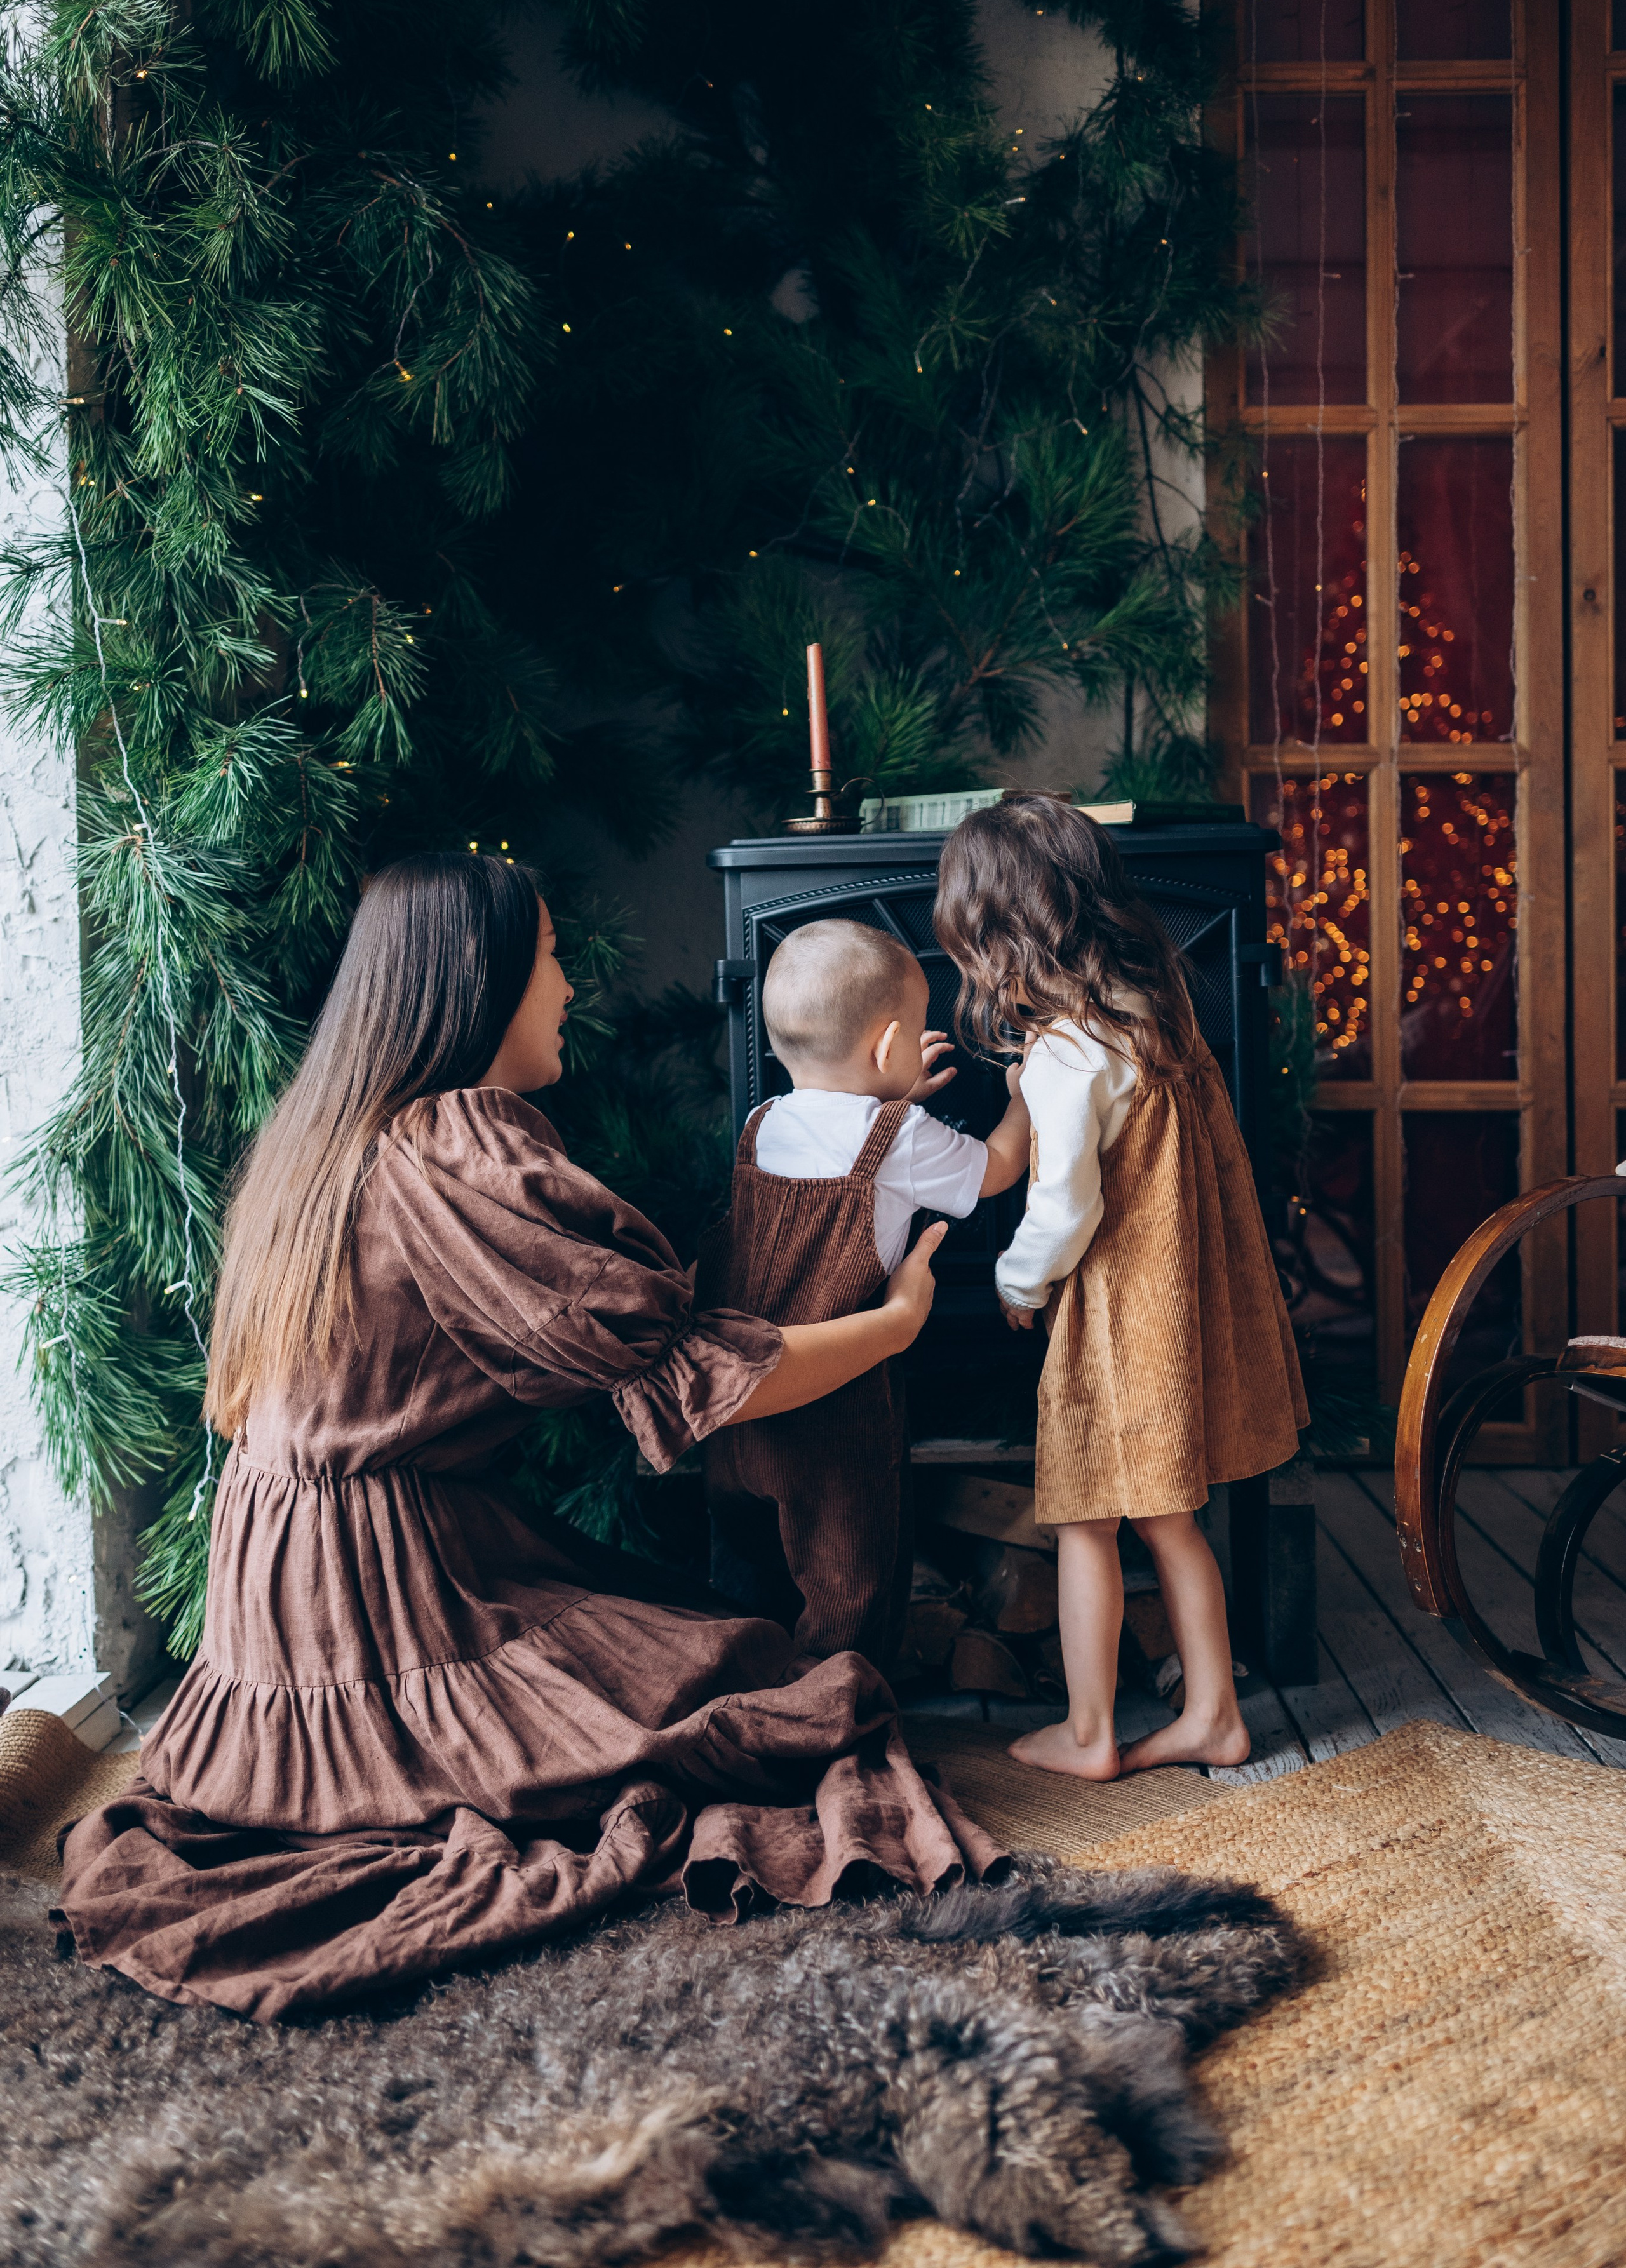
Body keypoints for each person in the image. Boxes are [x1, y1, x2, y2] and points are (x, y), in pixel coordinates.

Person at [53, 856, 1001, 2022]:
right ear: (482, 982)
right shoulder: (455, 1148)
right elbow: (691, 1378)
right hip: (380, 1596)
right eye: (549, 958)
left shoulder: (330, 1133)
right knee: (780, 1696)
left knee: (713, 1648)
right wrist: (894, 1321)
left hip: (285, 1580)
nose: (568, 989)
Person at [934, 795, 1307, 1781]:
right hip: (1177, 1300)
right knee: (1171, 1520)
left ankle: (1091, 1729)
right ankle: (1215, 1714)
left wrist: (1018, 1278)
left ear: (996, 929)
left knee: (1083, 1518)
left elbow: (1064, 1206)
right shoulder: (1157, 1009)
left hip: (1112, 1318)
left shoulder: (1062, 1052)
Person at [699, 920, 1031, 1669]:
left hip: (738, 1410)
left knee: (752, 1581)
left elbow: (834, 1129)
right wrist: (1025, 1100)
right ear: (887, 1048)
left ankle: (751, 1698)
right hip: (834, 1418)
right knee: (851, 1582)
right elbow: (998, 1169)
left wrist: (888, 1094)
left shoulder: (761, 1123)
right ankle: (841, 1715)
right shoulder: (900, 1136)